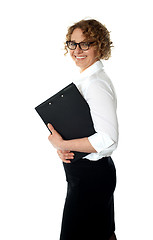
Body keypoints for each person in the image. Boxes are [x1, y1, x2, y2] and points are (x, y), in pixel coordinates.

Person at [47, 19, 118, 240]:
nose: (77, 50)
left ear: (100, 46)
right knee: (103, 234)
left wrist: (63, 144)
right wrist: (67, 149)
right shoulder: (86, 79)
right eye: (73, 43)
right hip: (88, 174)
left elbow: (108, 139)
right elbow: (86, 131)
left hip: (91, 178)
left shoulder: (95, 83)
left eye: (85, 44)